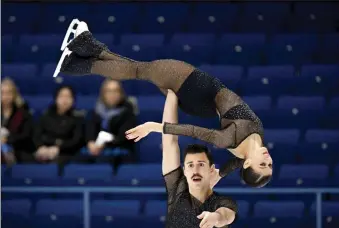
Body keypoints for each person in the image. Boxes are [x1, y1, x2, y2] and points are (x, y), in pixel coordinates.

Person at [54, 20, 272, 187]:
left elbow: (192, 131)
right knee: (138, 68)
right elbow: (235, 164)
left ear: (248, 163)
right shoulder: (254, 143)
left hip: (194, 87)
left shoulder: (230, 140)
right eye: (270, 165)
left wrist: (154, 127)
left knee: (138, 70)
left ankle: (72, 62)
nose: (267, 159)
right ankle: (83, 43)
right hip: (203, 100)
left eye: (263, 165)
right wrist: (220, 175)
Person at [158, 90, 237, 228]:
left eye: (201, 164)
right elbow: (169, 142)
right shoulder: (177, 191)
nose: (195, 170)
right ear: (185, 171)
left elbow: (226, 215)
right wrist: (172, 92)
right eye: (190, 165)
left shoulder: (221, 202)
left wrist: (216, 217)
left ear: (211, 169)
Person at [85, 79, 136, 161]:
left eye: (115, 91)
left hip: (120, 154)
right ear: (103, 94)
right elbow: (89, 129)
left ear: (121, 94)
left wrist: (104, 143)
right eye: (109, 91)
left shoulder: (128, 113)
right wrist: (90, 142)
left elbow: (123, 137)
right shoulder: (95, 111)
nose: (112, 94)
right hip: (96, 151)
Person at [33, 85, 83, 163]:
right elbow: (36, 135)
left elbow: (76, 141)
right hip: (44, 151)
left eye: (68, 96)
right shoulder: (46, 116)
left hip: (67, 154)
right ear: (56, 98)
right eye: (61, 96)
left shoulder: (78, 118)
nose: (65, 100)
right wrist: (41, 147)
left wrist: (58, 148)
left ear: (73, 100)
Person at [1, 78, 34, 164]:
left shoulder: (23, 113)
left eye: (8, 93)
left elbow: (26, 135)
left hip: (18, 150)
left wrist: (7, 140)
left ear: (14, 94)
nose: (5, 97)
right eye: (2, 93)